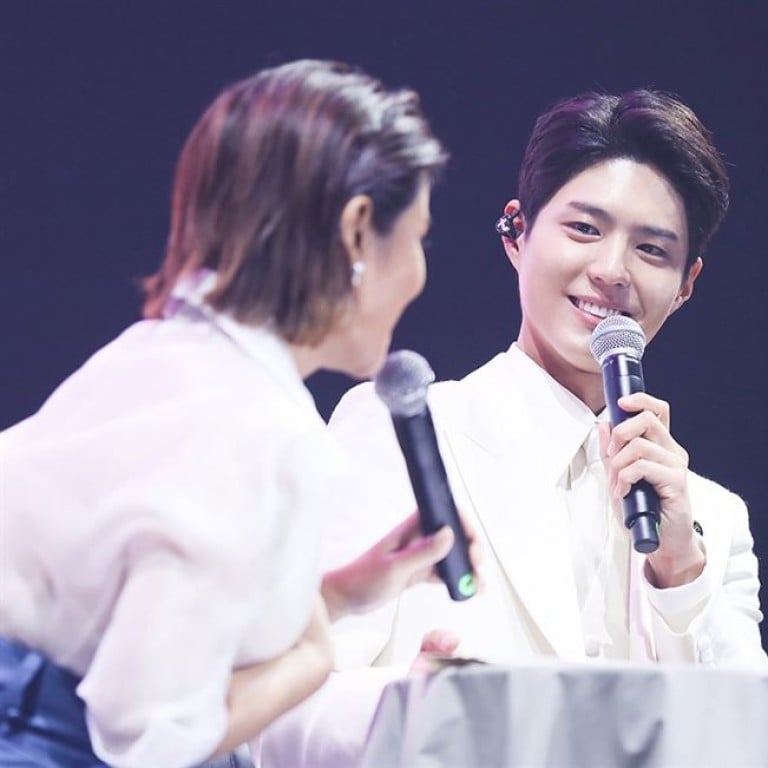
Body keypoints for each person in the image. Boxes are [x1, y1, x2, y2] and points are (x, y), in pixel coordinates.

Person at [257, 88, 768, 768]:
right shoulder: (407, 434)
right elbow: (274, 711)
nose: (611, 271)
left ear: (686, 284)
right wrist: (410, 715)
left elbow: (746, 737)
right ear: (518, 231)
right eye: (585, 229)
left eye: (651, 249)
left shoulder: (713, 520)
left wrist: (678, 570)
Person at [0, 58, 481, 768]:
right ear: (355, 233)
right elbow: (146, 734)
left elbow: (136, 624)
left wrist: (340, 594)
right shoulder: (253, 425)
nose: (420, 270)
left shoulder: (166, 355)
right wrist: (313, 652)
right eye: (419, 237)